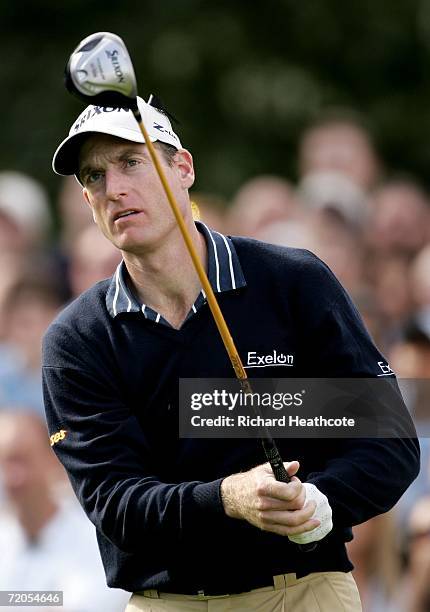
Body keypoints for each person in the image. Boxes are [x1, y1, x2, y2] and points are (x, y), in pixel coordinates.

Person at [43, 96, 420, 612]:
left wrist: (321, 501)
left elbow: (388, 446)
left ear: (184, 168)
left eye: (132, 162)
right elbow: (116, 504)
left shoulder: (292, 283)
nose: (114, 189)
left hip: (304, 591)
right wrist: (228, 499)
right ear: (87, 202)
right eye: (94, 176)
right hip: (166, 601)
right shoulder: (79, 339)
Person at [0, 410, 130, 612]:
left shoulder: (94, 534)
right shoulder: (5, 538)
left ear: (52, 459)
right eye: (5, 462)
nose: (14, 476)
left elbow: (91, 603)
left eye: (23, 459)